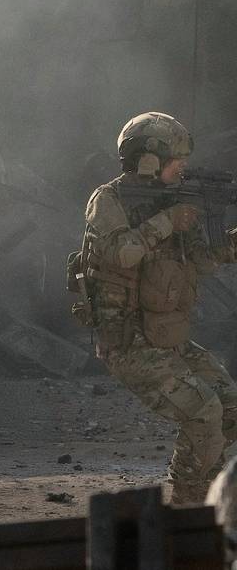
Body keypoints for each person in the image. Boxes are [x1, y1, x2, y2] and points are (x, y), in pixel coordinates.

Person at [79, 111, 237, 504]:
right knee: (203, 411)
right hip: (127, 342)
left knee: (230, 405)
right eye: (176, 160)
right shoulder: (109, 199)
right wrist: (167, 221)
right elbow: (121, 253)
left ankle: (205, 491)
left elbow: (201, 262)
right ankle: (188, 503)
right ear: (147, 159)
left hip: (168, 336)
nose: (182, 168)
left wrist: (230, 244)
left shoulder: (176, 200)